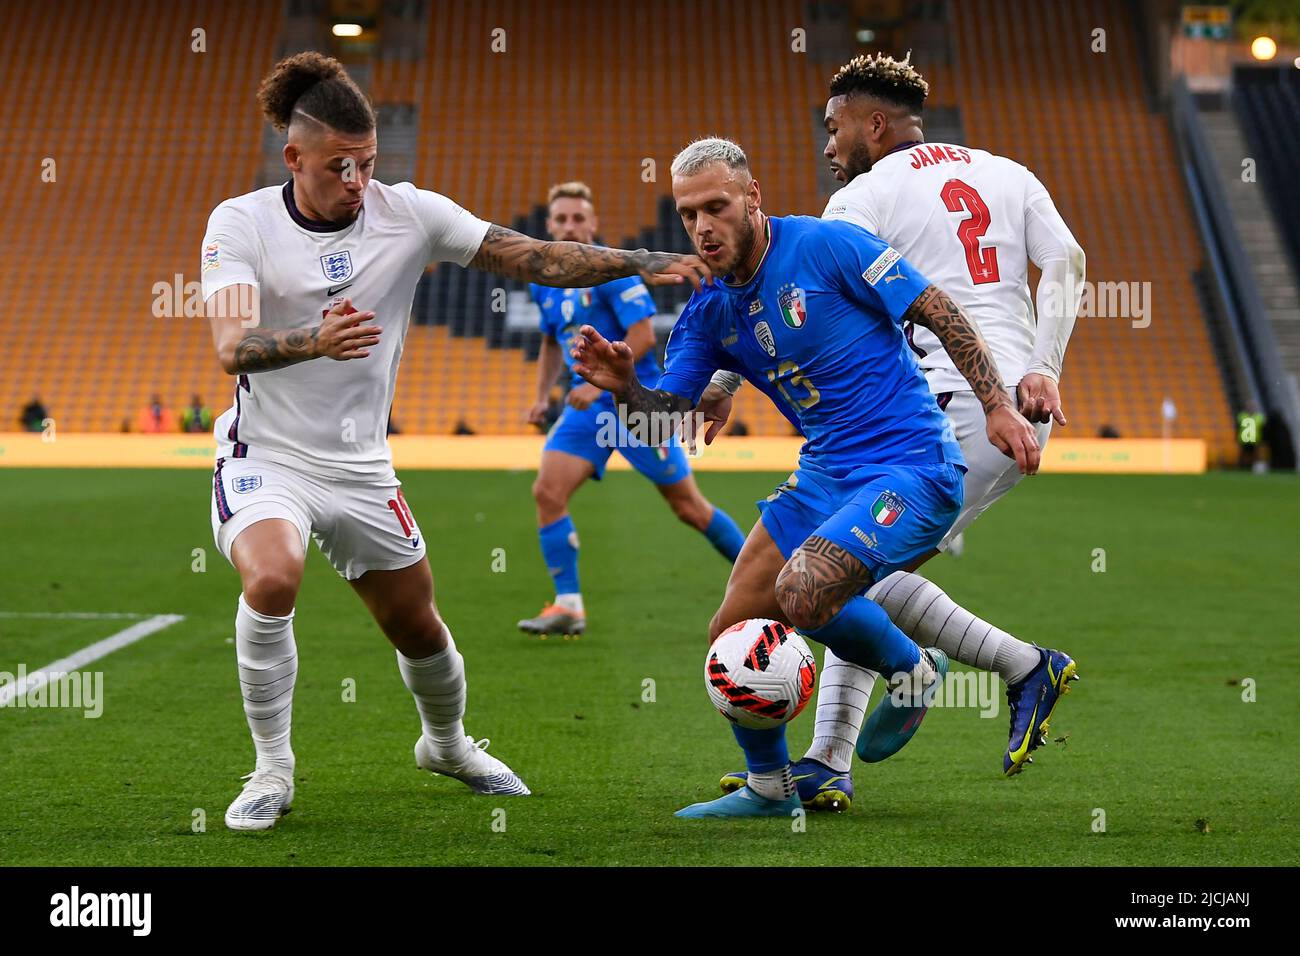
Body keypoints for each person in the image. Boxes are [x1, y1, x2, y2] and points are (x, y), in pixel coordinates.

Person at [202, 52, 709, 830]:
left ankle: (446, 745)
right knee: (272, 581)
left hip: (361, 466)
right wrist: (314, 338)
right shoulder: (241, 223)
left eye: (367, 163)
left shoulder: (411, 214)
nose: (356, 181)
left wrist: (650, 261)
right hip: (265, 455)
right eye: (338, 165)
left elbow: (532, 256)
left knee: (419, 625)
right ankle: (271, 769)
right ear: (292, 157)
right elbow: (232, 346)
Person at [572, 138, 1060, 819]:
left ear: (753, 197)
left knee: (802, 591)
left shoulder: (829, 247)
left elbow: (939, 310)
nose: (702, 227)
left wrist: (998, 406)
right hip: (824, 474)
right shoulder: (711, 310)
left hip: (911, 466)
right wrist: (625, 386)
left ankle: (913, 671)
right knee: (730, 627)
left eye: (716, 206)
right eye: (688, 215)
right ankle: (770, 789)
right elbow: (665, 421)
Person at [705, 52, 1087, 808]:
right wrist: (1044, 364)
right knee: (858, 571)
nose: (826, 147)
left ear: (872, 125)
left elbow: (795, 285)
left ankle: (1018, 666)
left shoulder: (868, 195)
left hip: (941, 411)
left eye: (833, 127)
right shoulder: (1009, 172)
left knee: (837, 573)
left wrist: (720, 378)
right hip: (1006, 405)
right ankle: (828, 764)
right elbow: (1066, 260)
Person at [517, 181, 746, 638]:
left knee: (689, 509)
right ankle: (568, 606)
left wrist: (605, 382)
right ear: (548, 225)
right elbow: (549, 339)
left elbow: (642, 335)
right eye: (561, 219)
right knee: (547, 492)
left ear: (593, 223)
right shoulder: (545, 280)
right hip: (585, 410)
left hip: (634, 407)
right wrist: (543, 395)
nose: (570, 226)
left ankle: (764, 579)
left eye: (578, 218)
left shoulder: (612, 272)